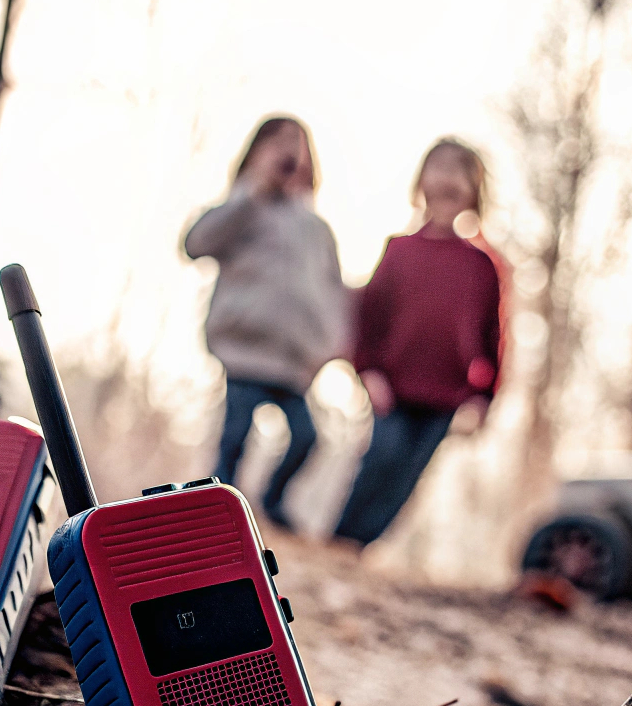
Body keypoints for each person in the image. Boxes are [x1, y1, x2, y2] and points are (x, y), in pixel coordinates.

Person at [334, 138, 505, 546]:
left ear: (475, 191)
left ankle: (362, 548)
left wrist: (484, 397)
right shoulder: (399, 250)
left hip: (446, 396)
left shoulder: (482, 266)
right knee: (381, 458)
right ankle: (338, 540)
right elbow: (369, 318)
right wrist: (368, 371)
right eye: (439, 169)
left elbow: (493, 338)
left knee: (408, 476)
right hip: (392, 386)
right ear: (422, 182)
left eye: (460, 174)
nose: (448, 181)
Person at [184, 116, 349, 528]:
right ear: (254, 153)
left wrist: (330, 346)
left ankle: (272, 502)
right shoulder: (243, 209)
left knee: (307, 436)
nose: (288, 151)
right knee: (235, 437)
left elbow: (333, 291)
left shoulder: (316, 229)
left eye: (298, 143)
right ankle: (217, 506)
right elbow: (195, 244)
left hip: (295, 362)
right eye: (276, 142)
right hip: (245, 352)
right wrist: (251, 193)